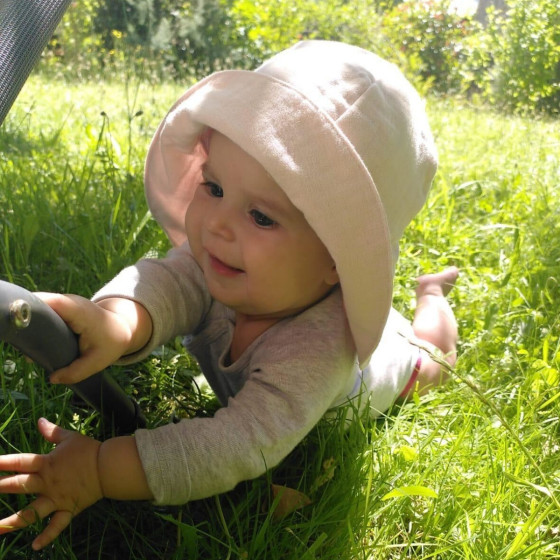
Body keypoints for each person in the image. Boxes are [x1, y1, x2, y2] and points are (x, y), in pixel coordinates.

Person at [0, 40, 458, 550]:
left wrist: (103, 469)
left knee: (431, 358)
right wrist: (118, 321)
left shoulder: (316, 352)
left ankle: (433, 295)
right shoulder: (226, 260)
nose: (216, 224)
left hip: (390, 367)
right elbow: (167, 282)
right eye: (214, 188)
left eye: (261, 216)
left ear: (337, 259)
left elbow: (236, 444)